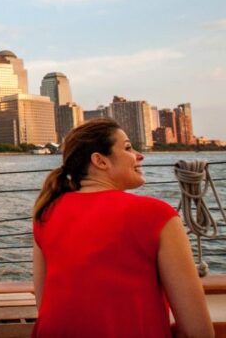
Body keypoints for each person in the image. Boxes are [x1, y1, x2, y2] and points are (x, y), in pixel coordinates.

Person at [32, 118, 213, 337]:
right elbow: (198, 332)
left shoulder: (46, 213)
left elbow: (45, 307)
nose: (139, 155)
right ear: (100, 161)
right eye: (128, 147)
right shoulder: (157, 215)